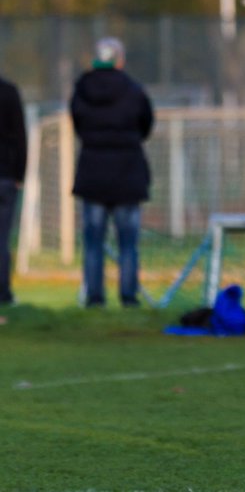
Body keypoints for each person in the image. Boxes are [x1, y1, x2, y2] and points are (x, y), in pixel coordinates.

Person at [70, 37, 154, 308]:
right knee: (128, 243)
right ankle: (128, 298)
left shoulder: (81, 89)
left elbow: (78, 124)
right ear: (120, 60)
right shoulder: (133, 90)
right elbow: (145, 125)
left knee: (93, 243)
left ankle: (95, 298)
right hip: (127, 173)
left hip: (92, 173)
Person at [0, 71, 26, 306]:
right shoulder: (9, 92)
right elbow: (20, 135)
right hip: (6, 176)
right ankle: (3, 293)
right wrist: (19, 173)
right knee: (2, 239)